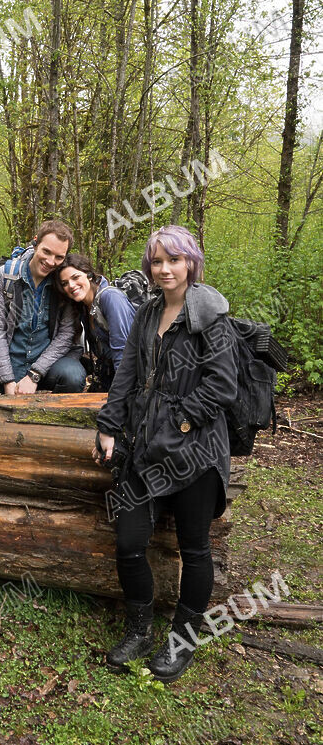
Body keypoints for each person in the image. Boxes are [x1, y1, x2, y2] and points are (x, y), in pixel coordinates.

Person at [94, 225, 238, 683]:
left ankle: (182, 641)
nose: (164, 269)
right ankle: (139, 631)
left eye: (173, 259)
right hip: (145, 448)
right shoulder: (147, 311)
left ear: (190, 262)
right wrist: (109, 425)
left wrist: (178, 422)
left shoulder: (210, 314)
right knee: (128, 542)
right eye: (156, 261)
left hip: (197, 451)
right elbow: (126, 373)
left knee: (194, 548)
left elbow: (223, 386)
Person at [0, 220, 86, 395]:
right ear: (35, 243)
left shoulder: (63, 283)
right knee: (12, 408)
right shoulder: (5, 276)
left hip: (49, 362)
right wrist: (7, 379)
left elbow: (66, 334)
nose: (50, 262)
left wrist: (34, 374)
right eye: (46, 252)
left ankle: (57, 411)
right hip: (12, 361)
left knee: (73, 376)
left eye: (59, 257)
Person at [56, 252, 138, 391]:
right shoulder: (83, 306)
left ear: (89, 275)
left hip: (129, 382)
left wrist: (121, 394)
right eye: (65, 283)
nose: (71, 285)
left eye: (75, 277)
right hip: (108, 379)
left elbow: (123, 352)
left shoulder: (110, 298)